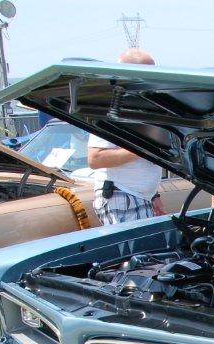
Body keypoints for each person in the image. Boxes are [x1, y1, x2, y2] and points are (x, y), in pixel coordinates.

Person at [87, 48, 165, 224]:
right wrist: (143, 148)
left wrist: (154, 195)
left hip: (138, 197)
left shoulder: (138, 106)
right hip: (123, 196)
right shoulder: (112, 110)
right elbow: (95, 158)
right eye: (147, 74)